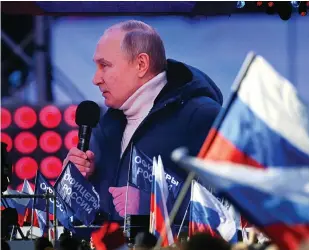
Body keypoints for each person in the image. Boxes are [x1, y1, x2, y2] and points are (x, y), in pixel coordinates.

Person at [63, 20, 223, 222]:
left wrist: (154, 204)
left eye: (104, 65)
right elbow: (89, 215)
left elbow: (232, 204)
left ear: (141, 64)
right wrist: (76, 183)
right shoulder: (106, 125)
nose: (95, 79)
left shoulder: (202, 115)